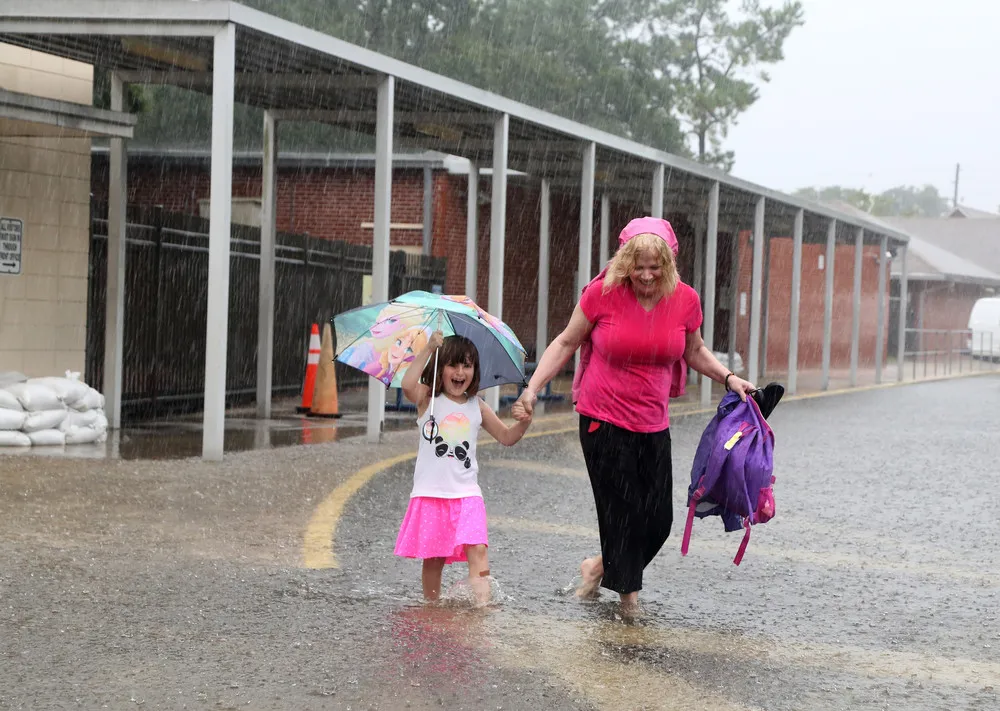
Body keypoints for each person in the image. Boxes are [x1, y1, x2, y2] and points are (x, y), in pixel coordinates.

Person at [512, 216, 755, 615]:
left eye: (654, 267)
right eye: (638, 267)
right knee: (622, 512)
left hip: (653, 423)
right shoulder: (602, 294)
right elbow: (566, 341)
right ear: (625, 261)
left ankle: (599, 567)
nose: (645, 275)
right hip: (602, 419)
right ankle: (629, 603)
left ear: (669, 263)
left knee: (659, 519)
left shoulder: (685, 300)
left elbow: (694, 351)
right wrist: (532, 388)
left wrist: (729, 379)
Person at [397, 331, 532, 604]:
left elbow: (507, 437)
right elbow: (408, 385)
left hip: (467, 495)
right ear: (440, 368)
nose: (460, 372)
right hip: (431, 493)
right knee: (434, 560)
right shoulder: (427, 399)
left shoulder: (477, 406)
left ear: (475, 370)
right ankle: (431, 606)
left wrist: (525, 422)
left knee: (478, 551)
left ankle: (483, 607)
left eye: (467, 366)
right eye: (453, 365)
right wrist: (428, 350)